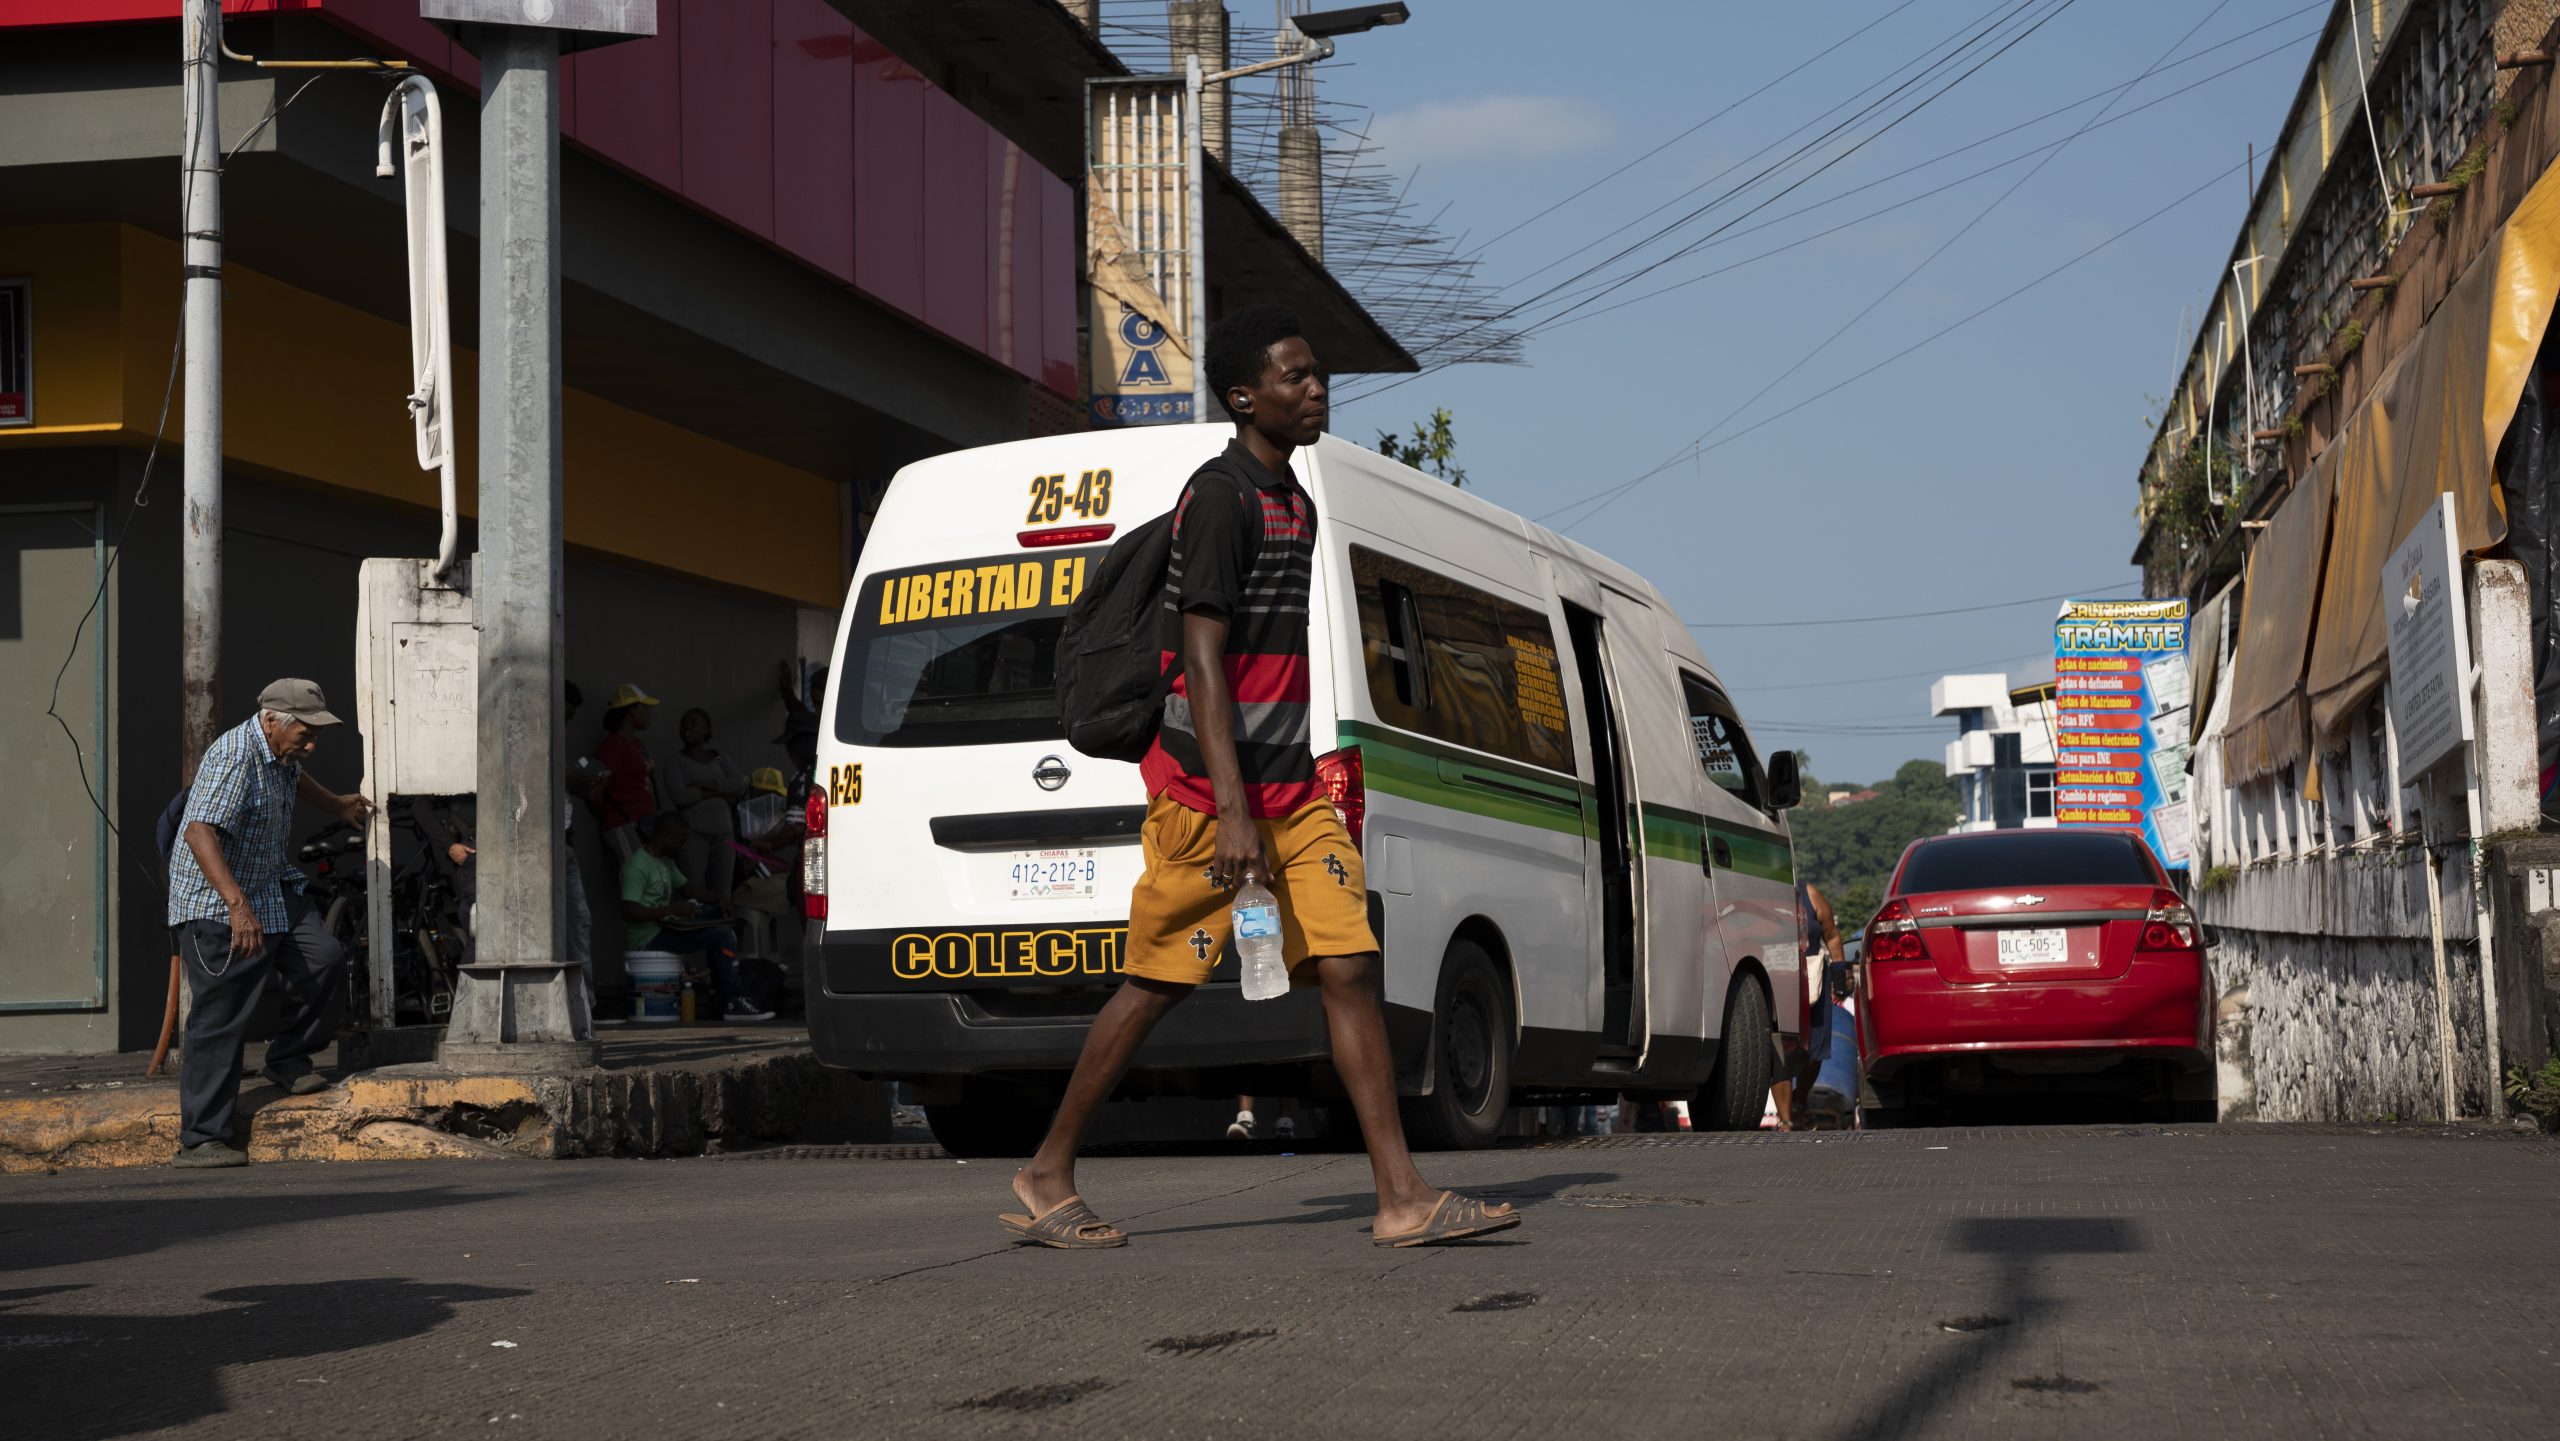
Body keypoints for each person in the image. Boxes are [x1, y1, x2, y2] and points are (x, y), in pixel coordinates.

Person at [1000, 305, 1518, 1249]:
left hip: (1293, 788)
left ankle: (1401, 1197)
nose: (1317, 387)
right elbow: (1202, 660)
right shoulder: (1222, 496)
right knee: (1155, 984)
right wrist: (1232, 812)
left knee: (1352, 965)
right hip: (1210, 797)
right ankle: (1045, 1173)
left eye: (1318, 373)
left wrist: (1290, 783)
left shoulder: (1299, 503)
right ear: (1245, 396)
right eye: (1295, 375)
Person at [165, 679, 372, 1168]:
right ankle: (200, 1139)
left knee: (324, 959)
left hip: (268, 884)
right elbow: (198, 832)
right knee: (221, 1014)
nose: (311, 745)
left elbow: (295, 777)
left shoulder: (280, 751)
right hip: (216, 900)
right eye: (306, 733)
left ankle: (287, 1058)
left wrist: (338, 805)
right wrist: (237, 906)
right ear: (273, 720)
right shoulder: (235, 757)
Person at [621, 811, 773, 1023]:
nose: (682, 847)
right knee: (722, 936)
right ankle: (733, 1000)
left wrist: (720, 898)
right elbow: (629, 911)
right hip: (648, 939)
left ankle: (720, 996)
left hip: (666, 925)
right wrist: (671, 910)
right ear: (664, 836)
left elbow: (689, 890)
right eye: (680, 840)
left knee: (721, 918)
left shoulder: (665, 862)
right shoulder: (637, 866)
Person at [665, 707, 746, 905]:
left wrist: (705, 786)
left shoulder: (720, 757)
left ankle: (723, 933)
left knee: (723, 891)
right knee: (693, 889)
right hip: (692, 833)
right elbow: (680, 795)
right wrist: (721, 793)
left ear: (707, 729)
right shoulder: (674, 761)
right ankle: (696, 933)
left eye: (693, 723)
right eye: (683, 723)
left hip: (724, 833)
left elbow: (740, 784)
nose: (687, 727)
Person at [595, 683, 660, 862]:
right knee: (637, 879)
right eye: (646, 708)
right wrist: (618, 817)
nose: (650, 714)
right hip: (624, 825)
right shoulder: (613, 746)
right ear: (633, 709)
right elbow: (595, 793)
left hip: (643, 824)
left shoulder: (637, 744)